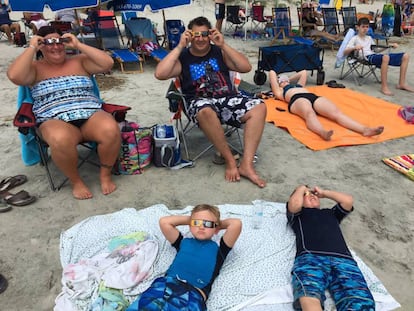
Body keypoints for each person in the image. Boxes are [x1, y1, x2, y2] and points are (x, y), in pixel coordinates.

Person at [7, 26, 119, 200]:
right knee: (60, 139)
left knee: (110, 129)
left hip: (90, 114)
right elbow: (14, 76)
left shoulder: (80, 61)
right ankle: (76, 181)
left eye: (59, 42)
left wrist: (78, 44)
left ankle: (105, 175)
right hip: (54, 118)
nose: (55, 46)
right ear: (41, 46)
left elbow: (108, 63)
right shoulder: (34, 68)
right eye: (48, 43)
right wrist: (31, 48)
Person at [155, 16, 267, 188]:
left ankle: (246, 164)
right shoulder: (183, 57)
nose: (200, 38)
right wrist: (179, 46)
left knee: (259, 107)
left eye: (204, 34)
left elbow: (245, 67)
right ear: (189, 36)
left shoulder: (219, 52)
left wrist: (222, 44)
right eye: (195, 34)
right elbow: (160, 74)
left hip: (226, 99)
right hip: (198, 102)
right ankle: (229, 160)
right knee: (206, 110)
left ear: (211, 35)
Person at [127, 204, 242, 310]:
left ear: (216, 229)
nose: (201, 227)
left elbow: (236, 224)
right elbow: (164, 222)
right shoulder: (183, 242)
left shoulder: (219, 249)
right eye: (196, 223)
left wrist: (215, 223)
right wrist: (192, 219)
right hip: (165, 285)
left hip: (193, 293)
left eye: (207, 224)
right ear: (190, 225)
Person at [286, 185, 375, 310]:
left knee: (359, 299)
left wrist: (324, 193)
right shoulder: (298, 216)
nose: (311, 195)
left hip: (344, 260)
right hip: (311, 258)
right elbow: (294, 204)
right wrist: (301, 188)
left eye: (312, 193)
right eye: (305, 195)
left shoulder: (331, 213)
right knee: (308, 292)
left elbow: (347, 201)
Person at [269, 69, 384, 140]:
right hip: (296, 99)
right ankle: (322, 132)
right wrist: (281, 82)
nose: (284, 81)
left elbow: (303, 72)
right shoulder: (279, 92)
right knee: (309, 113)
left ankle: (364, 130)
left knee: (336, 113)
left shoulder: (300, 86)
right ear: (278, 84)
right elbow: (272, 73)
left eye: (285, 80)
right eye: (281, 81)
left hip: (312, 97)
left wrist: (288, 79)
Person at [345, 17, 414, 96]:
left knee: (405, 56)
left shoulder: (369, 38)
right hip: (367, 58)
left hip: (374, 55)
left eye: (367, 27)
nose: (365, 29)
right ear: (358, 27)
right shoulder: (354, 39)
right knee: (385, 57)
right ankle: (384, 87)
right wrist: (354, 47)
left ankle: (402, 83)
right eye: (363, 27)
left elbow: (376, 50)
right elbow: (345, 52)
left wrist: (388, 46)